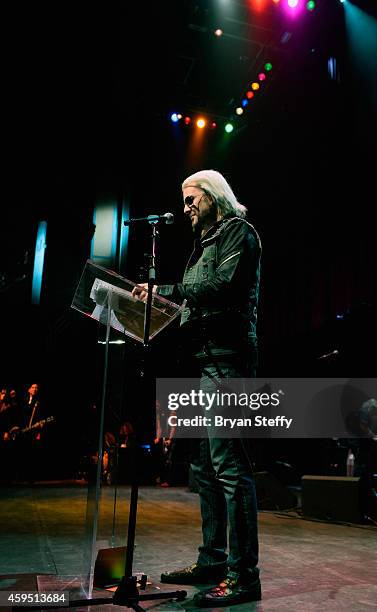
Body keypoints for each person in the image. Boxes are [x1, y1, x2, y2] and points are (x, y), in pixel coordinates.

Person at [132, 169, 262, 607]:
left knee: (229, 469)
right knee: (205, 470)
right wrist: (164, 305)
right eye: (184, 201)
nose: (186, 208)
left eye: (192, 200)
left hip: (226, 363)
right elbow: (196, 299)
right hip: (204, 361)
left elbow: (222, 287)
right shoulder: (201, 245)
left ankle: (245, 577)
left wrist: (165, 290)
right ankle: (213, 560)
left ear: (213, 196)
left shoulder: (239, 234)